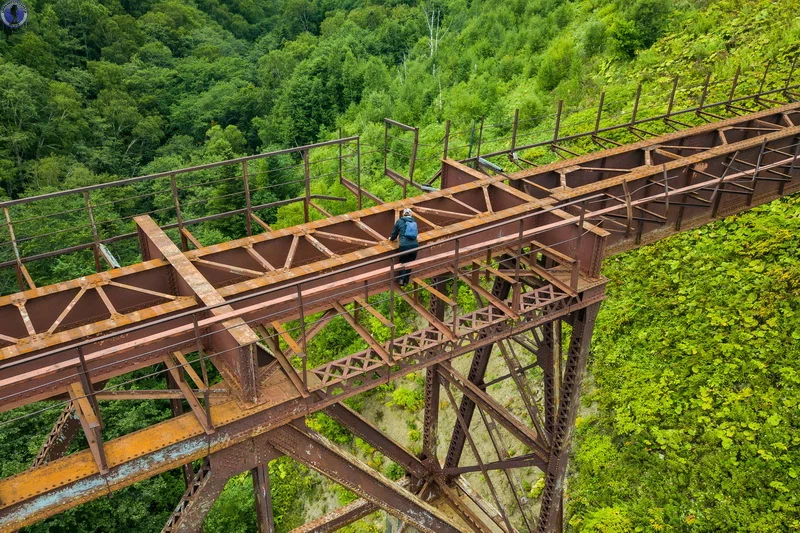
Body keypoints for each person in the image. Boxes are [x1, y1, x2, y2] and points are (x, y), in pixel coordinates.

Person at [389, 207, 419, 286]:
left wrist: (391, 239)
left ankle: (401, 280)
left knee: (403, 262)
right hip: (414, 245)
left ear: (403, 214)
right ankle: (406, 280)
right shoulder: (414, 222)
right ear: (411, 215)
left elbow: (394, 234)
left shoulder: (400, 221)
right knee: (410, 263)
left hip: (404, 246)